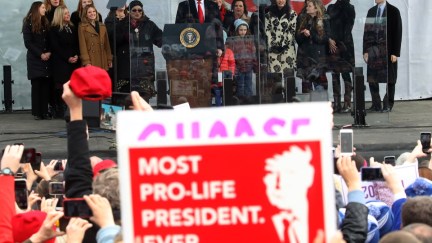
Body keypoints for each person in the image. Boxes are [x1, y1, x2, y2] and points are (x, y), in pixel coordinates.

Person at [114, 0, 162, 99]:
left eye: (140, 10)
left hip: (144, 68)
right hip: (126, 68)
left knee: (144, 98)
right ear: (129, 11)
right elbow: (114, 41)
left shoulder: (149, 25)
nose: (137, 12)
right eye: (134, 10)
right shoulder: (122, 24)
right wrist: (124, 36)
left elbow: (160, 39)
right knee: (126, 99)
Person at [363, 0, 402, 112]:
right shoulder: (371, 11)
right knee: (372, 79)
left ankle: (388, 104)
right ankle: (376, 104)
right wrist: (365, 51)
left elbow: (397, 32)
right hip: (373, 51)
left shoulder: (393, 11)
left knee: (390, 78)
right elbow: (367, 32)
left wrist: (395, 52)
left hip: (388, 51)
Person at [22, 1, 53, 120]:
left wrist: (49, 52)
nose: (45, 9)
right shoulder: (28, 23)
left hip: (46, 57)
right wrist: (40, 54)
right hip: (35, 59)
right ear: (37, 9)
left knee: (45, 85)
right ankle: (37, 112)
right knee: (36, 85)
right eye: (43, 7)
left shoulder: (45, 22)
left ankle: (44, 111)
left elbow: (50, 40)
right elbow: (28, 43)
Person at [49, 5, 80, 119]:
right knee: (61, 86)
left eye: (68, 13)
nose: (68, 15)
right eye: (65, 14)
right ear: (60, 15)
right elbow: (55, 46)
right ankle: (60, 109)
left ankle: (71, 108)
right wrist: (67, 57)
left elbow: (77, 43)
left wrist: (76, 55)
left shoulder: (72, 27)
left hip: (73, 61)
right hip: (61, 62)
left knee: (73, 85)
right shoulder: (54, 29)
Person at [296, 0, 331, 93]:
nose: (307, 7)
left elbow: (324, 39)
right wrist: (304, 35)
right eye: (307, 5)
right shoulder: (302, 19)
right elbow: (297, 39)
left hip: (318, 60)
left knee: (320, 90)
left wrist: (311, 33)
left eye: (310, 6)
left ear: (316, 8)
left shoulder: (324, 20)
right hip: (305, 60)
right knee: (307, 91)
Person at [327, 0, 355, 113]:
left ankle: (347, 103)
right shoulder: (331, 7)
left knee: (346, 74)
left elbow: (349, 27)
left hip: (345, 45)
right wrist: (329, 39)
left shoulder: (350, 7)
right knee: (335, 74)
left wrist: (341, 43)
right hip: (333, 45)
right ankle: (337, 103)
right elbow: (327, 25)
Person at [265, 0, 297, 80]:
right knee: (276, 78)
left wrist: (283, 45)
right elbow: (267, 31)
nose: (280, 0)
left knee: (288, 78)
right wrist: (273, 45)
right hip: (273, 50)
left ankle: (288, 92)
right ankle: (278, 92)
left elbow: (292, 31)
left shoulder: (292, 14)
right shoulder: (268, 15)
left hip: (287, 49)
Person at [228, 19, 256, 99]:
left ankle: (249, 101)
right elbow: (232, 55)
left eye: (244, 30)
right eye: (241, 30)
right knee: (240, 86)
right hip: (239, 68)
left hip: (249, 67)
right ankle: (241, 102)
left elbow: (253, 53)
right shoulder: (233, 41)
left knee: (249, 85)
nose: (243, 32)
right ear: (237, 30)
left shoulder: (250, 40)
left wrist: (254, 64)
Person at [78, 5, 113, 70]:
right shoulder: (82, 27)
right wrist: (86, 61)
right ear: (85, 14)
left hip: (103, 58)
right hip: (91, 59)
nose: (92, 13)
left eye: (94, 11)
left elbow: (107, 44)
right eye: (89, 12)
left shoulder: (102, 26)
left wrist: (109, 59)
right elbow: (82, 46)